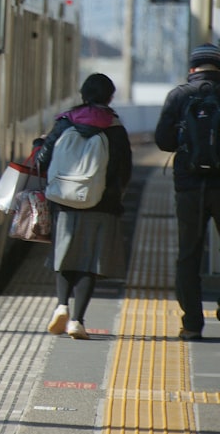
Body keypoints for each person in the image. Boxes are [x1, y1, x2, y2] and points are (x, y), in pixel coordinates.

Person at [34, 73, 132, 340]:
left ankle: (62, 305)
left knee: (64, 255)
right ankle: (77, 321)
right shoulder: (115, 128)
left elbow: (42, 160)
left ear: (83, 94)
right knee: (89, 261)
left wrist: (39, 146)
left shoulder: (65, 122)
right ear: (110, 96)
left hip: (64, 201)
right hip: (101, 204)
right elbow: (124, 170)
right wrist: (114, 196)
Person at [154, 43, 220, 340]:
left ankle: (192, 324)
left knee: (188, 254)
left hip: (189, 187)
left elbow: (164, 141)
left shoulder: (179, 95)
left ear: (193, 68)